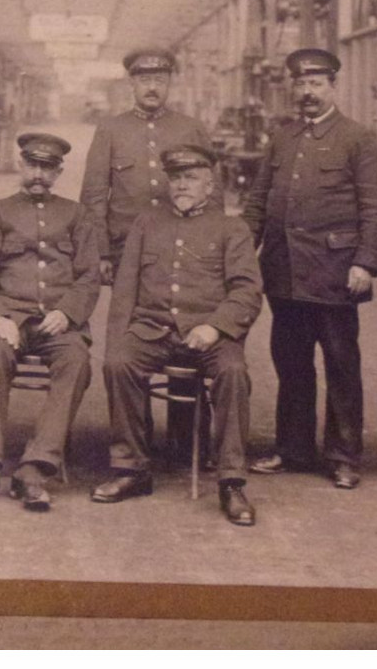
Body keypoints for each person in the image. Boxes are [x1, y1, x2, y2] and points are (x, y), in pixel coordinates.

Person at [91, 145, 263, 527]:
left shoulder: (231, 228)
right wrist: (116, 342)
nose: (182, 185)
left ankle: (231, 482)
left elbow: (247, 291)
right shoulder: (147, 223)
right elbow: (125, 291)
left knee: (234, 374)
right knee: (118, 365)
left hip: (210, 333)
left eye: (191, 178)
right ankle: (132, 469)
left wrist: (214, 327)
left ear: (209, 184)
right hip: (152, 330)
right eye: (176, 178)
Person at [243, 47, 377, 489]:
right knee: (291, 363)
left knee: (341, 364)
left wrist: (365, 262)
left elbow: (375, 208)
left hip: (335, 272)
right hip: (283, 272)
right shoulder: (282, 138)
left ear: (332, 86)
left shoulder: (358, 138)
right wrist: (239, 252)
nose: (307, 92)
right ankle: (293, 448)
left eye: (316, 84)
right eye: (301, 85)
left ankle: (343, 455)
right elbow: (258, 201)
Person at [79, 48, 217, 452]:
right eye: (144, 80)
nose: (152, 86)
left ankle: (186, 441)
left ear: (170, 83)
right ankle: (132, 442)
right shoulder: (111, 130)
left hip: (186, 254)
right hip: (128, 258)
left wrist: (213, 250)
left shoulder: (190, 128)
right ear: (132, 84)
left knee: (186, 334)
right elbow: (93, 196)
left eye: (159, 79)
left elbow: (214, 191)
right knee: (128, 344)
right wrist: (102, 253)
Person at [0, 132, 99, 512]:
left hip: (57, 321)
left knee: (77, 361)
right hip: (8, 319)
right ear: (21, 165)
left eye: (47, 167)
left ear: (58, 172)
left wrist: (67, 313)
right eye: (32, 165)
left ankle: (36, 467)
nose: (39, 173)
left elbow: (88, 277)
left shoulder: (77, 215)